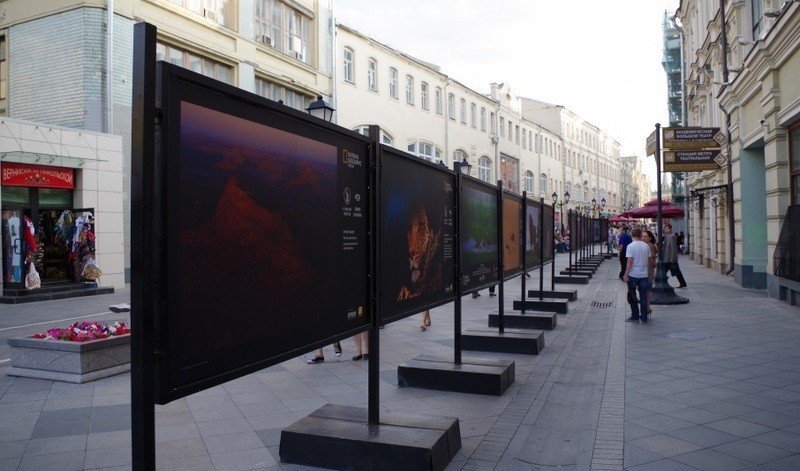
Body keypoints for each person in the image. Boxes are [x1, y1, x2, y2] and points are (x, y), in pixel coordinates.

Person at [623, 228, 651, 323]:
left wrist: (626, 275)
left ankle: (635, 316)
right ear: (640, 236)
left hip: (633, 274)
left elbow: (629, 262)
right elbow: (648, 259)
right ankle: (644, 317)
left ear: (632, 236)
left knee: (632, 296)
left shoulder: (630, 246)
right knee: (643, 296)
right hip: (644, 274)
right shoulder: (646, 246)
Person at [643, 230, 658, 313]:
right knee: (645, 289)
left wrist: (654, 265)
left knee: (648, 289)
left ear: (650, 238)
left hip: (649, 270)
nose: (643, 238)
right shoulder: (644, 245)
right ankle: (646, 306)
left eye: (645, 236)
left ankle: (648, 307)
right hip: (644, 270)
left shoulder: (650, 246)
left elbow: (652, 259)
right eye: (642, 236)